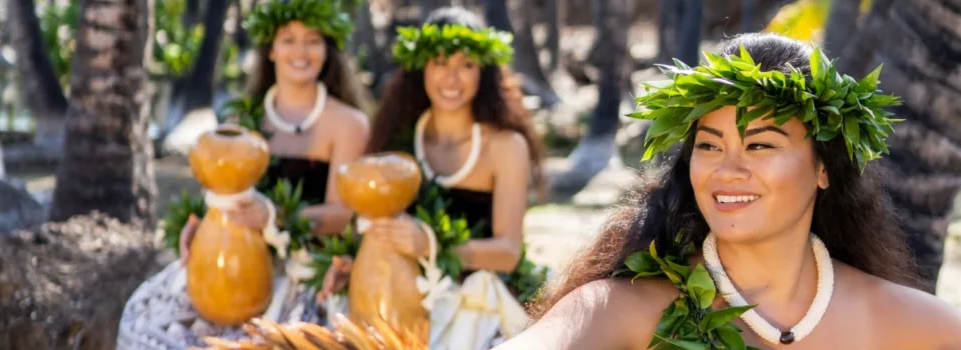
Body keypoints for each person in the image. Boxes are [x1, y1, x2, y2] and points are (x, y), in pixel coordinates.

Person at [495, 33, 961, 349]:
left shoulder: (912, 325)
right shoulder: (620, 310)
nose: (728, 170)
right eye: (709, 145)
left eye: (760, 145)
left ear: (824, 168)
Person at [117, 1, 370, 348]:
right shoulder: (243, 121)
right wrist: (201, 225)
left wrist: (274, 217)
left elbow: (343, 214)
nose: (300, 51)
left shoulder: (349, 124)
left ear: (328, 50)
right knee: (147, 323)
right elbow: (224, 196)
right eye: (288, 40)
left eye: (312, 40)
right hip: (233, 265)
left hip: (306, 272)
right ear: (271, 50)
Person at [316, 6, 548, 349]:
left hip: (475, 302)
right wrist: (357, 264)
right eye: (440, 62)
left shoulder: (505, 146)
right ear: (420, 67)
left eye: (466, 65)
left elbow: (508, 252)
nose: (452, 78)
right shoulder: (398, 139)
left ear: (483, 72)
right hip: (397, 295)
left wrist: (430, 246)